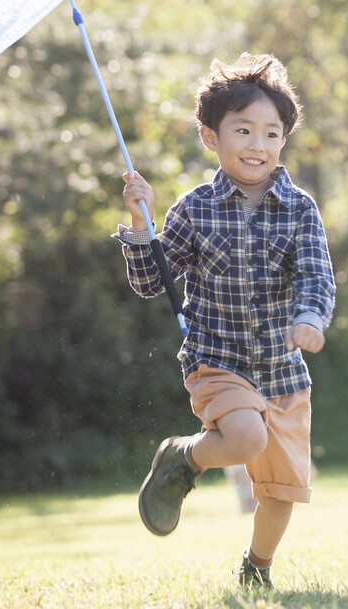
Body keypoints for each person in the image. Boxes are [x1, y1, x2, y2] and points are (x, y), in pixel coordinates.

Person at [115, 52, 336, 590]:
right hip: (217, 358)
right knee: (243, 437)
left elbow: (316, 275)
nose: (258, 144)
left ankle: (256, 566)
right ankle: (185, 458)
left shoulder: (301, 209)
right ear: (211, 136)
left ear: (284, 139)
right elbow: (152, 282)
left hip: (283, 371)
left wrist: (310, 316)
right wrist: (141, 225)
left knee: (281, 494)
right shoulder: (194, 208)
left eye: (271, 132)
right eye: (243, 130)